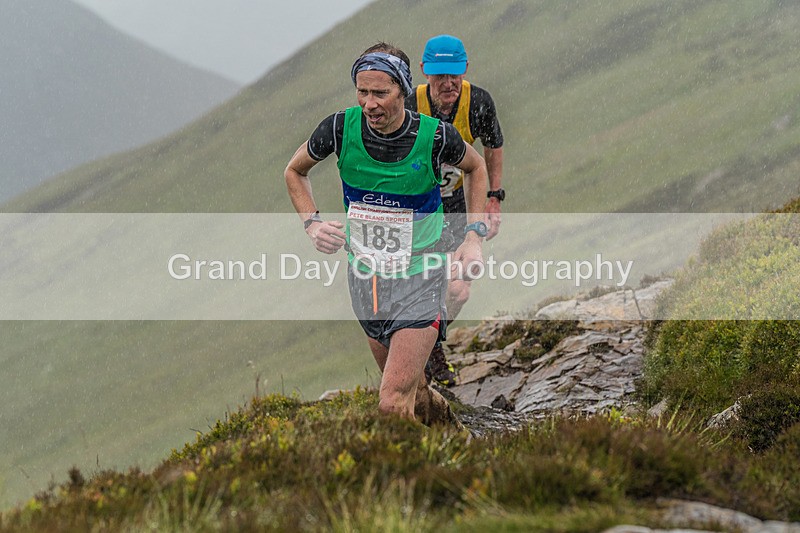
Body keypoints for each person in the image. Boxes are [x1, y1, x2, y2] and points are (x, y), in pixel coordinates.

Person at [284, 43, 489, 425]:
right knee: (416, 393)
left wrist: (473, 236)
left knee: (392, 404)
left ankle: (427, 480)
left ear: (403, 91)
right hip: (367, 280)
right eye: (362, 92)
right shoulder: (339, 128)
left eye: (381, 93)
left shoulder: (435, 136)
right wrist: (312, 223)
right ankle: (461, 446)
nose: (370, 103)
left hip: (421, 278)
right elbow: (294, 171)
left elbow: (476, 168)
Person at [405, 34, 505, 387]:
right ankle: (427, 354)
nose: (448, 83)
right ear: (424, 72)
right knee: (432, 280)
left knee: (460, 288)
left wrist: (494, 197)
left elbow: (493, 147)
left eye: (454, 74)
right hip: (419, 211)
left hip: (462, 206)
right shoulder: (408, 104)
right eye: (438, 75)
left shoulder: (477, 101)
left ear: (465, 69)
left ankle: (430, 343)